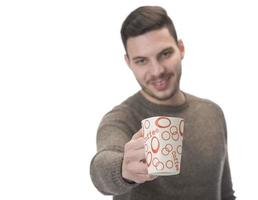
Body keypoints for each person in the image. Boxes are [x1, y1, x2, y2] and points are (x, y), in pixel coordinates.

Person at [90, 5, 236, 200]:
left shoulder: (212, 113)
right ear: (129, 63)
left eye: (165, 54)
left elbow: (225, 194)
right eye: (142, 61)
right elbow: (102, 168)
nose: (157, 70)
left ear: (181, 49)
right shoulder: (120, 119)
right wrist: (123, 169)